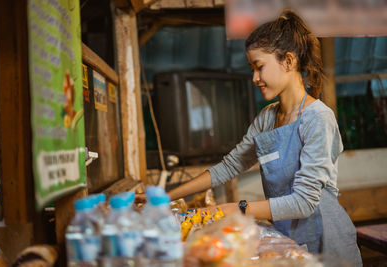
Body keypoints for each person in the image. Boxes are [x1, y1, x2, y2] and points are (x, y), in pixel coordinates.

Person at [138, 9, 362, 266]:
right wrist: (167, 195)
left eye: (259, 67)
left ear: (288, 61)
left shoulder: (318, 119)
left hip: (327, 243)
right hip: (289, 238)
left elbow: (304, 202)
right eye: (252, 69)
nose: (255, 78)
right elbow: (229, 166)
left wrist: (233, 209)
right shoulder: (267, 117)